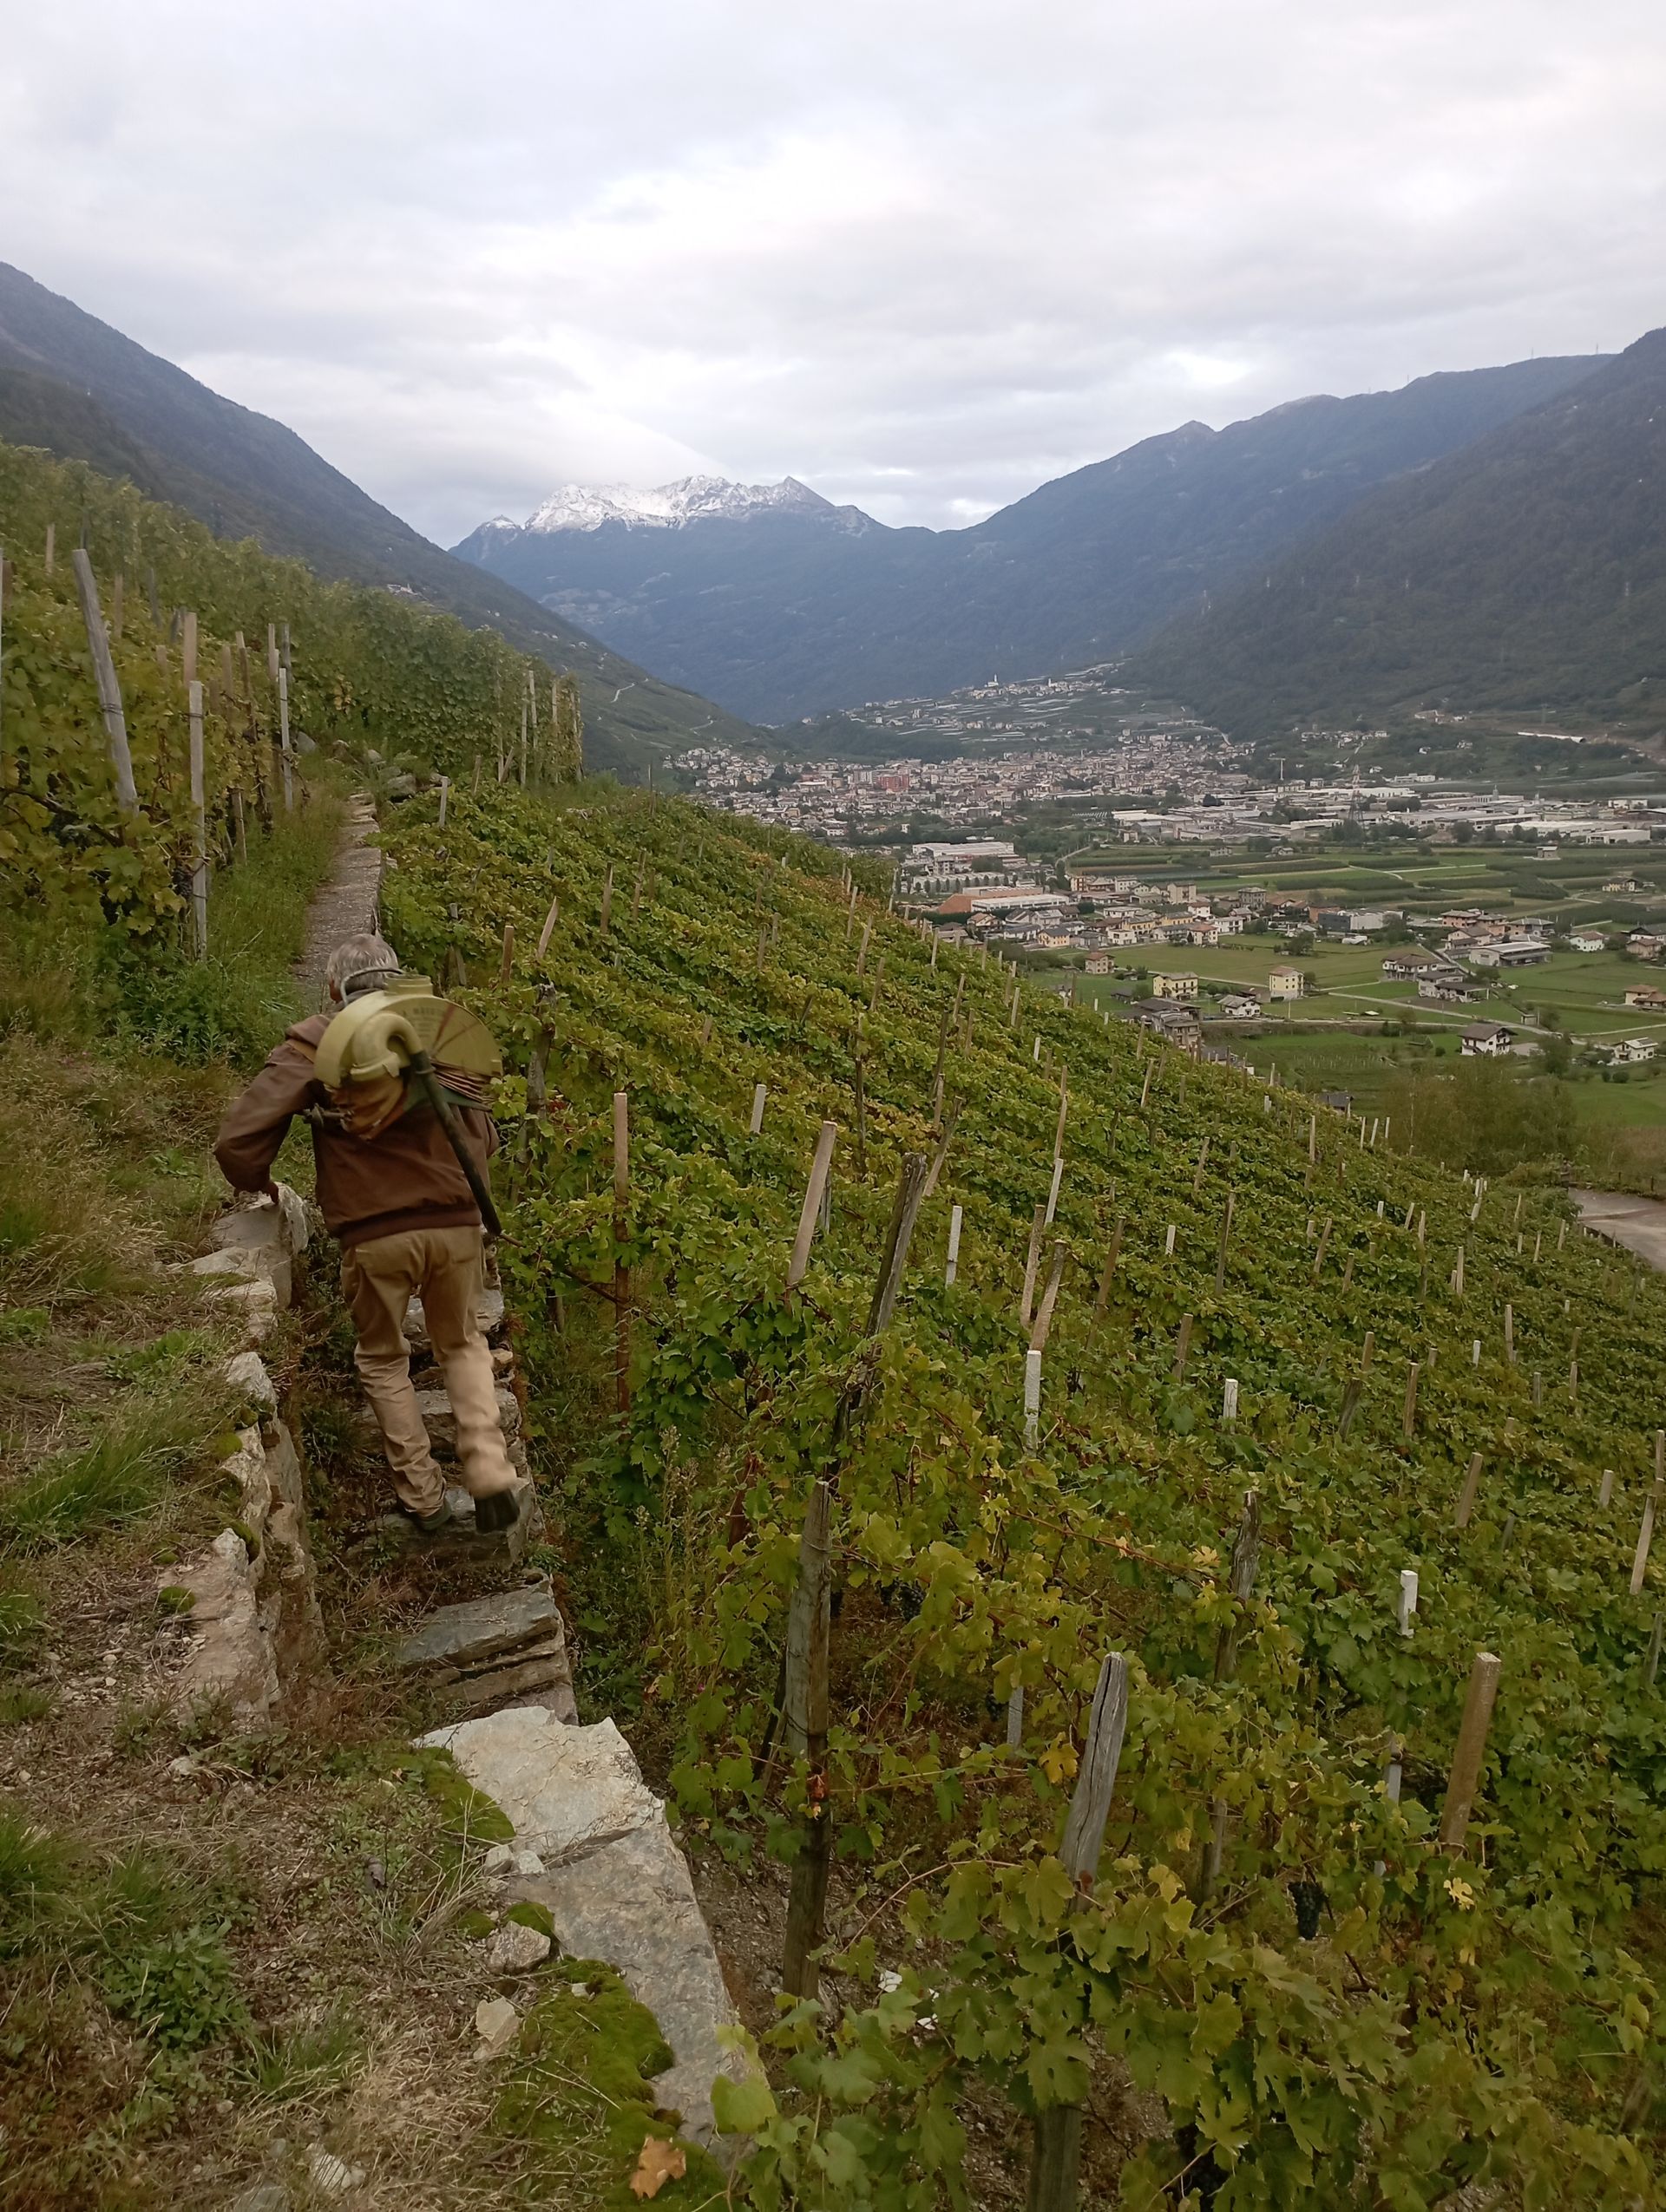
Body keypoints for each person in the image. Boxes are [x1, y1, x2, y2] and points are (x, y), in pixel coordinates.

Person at [214, 933, 521, 1534]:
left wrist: (257, 1182)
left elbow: (240, 1140)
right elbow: (481, 1139)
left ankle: (423, 1498)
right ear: (399, 978)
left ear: (335, 991)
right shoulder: (442, 1034)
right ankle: (487, 1473)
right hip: (457, 1226)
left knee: (384, 1360)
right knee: (462, 1345)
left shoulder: (317, 1042)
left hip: (373, 1235)